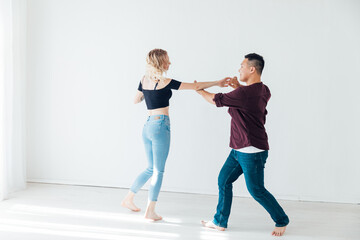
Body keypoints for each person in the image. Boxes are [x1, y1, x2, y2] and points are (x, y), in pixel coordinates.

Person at [121, 48, 230, 221]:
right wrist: (218, 82)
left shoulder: (144, 79)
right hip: (160, 125)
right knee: (158, 171)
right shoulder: (166, 81)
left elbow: (136, 99)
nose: (170, 63)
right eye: (167, 60)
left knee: (150, 168)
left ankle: (128, 198)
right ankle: (150, 211)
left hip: (147, 126)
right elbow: (195, 86)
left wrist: (148, 95)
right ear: (160, 62)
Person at [196, 53, 289, 236]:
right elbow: (246, 102)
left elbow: (215, 100)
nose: (239, 69)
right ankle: (219, 221)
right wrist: (238, 87)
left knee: (256, 190)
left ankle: (281, 220)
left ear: (252, 69)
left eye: (242, 66)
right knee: (224, 180)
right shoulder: (263, 89)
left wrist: (200, 90)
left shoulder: (244, 94)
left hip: (251, 150)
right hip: (239, 148)